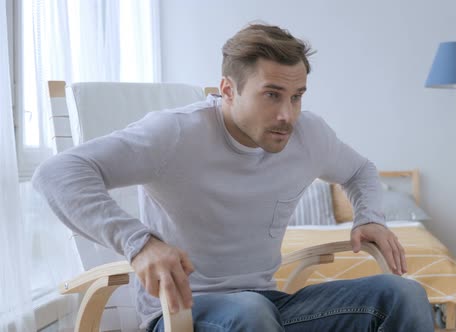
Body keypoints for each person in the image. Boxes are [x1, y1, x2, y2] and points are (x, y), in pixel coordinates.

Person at [33, 24, 434, 331]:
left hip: (268, 306)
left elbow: (360, 170)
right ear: (228, 89)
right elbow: (57, 173)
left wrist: (370, 216)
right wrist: (139, 244)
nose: (287, 115)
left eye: (297, 97)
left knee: (404, 294)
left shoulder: (309, 135)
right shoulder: (174, 134)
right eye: (272, 94)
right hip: (181, 314)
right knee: (250, 310)